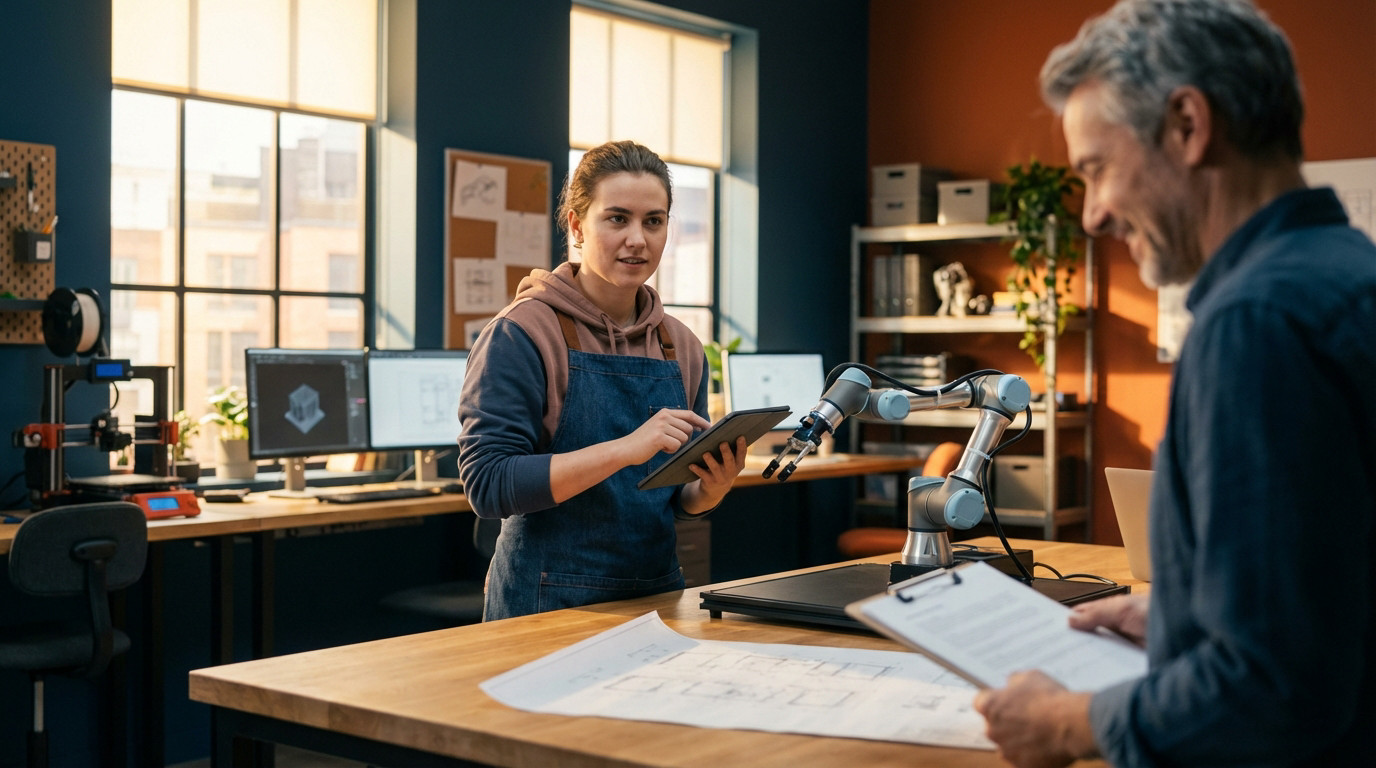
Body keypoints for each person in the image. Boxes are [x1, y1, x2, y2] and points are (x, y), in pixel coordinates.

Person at [971, 1, 1376, 766]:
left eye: (1095, 168)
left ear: (1188, 124)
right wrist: (1189, 619)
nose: (1092, 215)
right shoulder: (1349, 280)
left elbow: (1269, 693)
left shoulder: (1257, 324)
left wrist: (1066, 725)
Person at [457, 140, 747, 621]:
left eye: (653, 221)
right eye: (617, 219)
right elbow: (488, 485)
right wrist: (625, 449)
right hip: (545, 604)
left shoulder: (683, 347)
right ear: (576, 224)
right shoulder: (523, 334)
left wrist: (710, 490)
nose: (637, 239)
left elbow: (677, 500)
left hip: (656, 597)